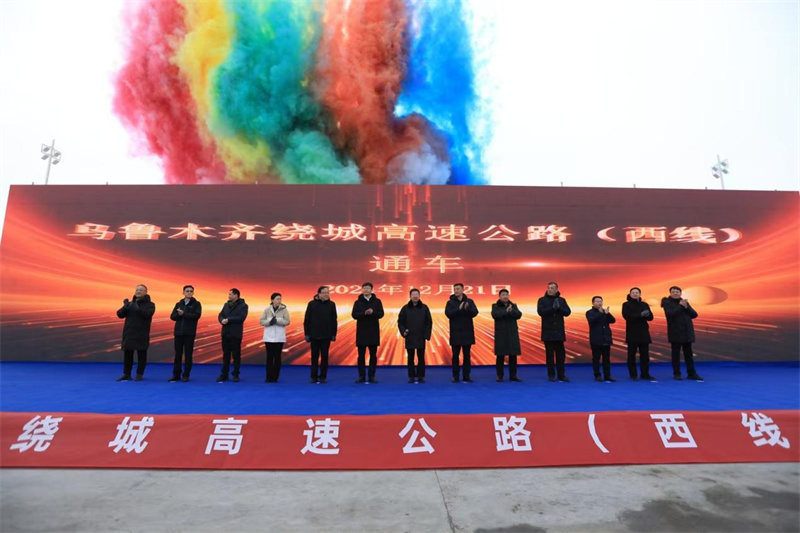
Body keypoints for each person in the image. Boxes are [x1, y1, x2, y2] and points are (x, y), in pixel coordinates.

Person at [661, 286, 703, 381]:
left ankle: (691, 373)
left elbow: (694, 314)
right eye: (673, 292)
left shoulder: (684, 302)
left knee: (689, 355)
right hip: (675, 332)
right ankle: (677, 373)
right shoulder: (667, 302)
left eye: (677, 292)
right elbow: (670, 314)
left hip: (687, 332)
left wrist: (686, 307)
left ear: (680, 293)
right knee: (676, 355)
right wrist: (680, 306)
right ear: (670, 293)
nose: (675, 293)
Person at [115, 284, 155, 382]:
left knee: (141, 354)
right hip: (129, 333)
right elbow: (120, 314)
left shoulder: (150, 304)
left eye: (141, 290)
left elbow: (147, 314)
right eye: (137, 290)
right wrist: (125, 307)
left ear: (146, 292)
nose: (138, 291)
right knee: (128, 355)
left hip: (142, 333)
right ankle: (126, 374)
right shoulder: (130, 303)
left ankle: (139, 374)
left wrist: (136, 307)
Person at [537, 281, 572, 382]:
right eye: (549, 288)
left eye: (552, 288)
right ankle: (551, 375)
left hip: (559, 332)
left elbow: (567, 312)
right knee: (550, 356)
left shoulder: (561, 300)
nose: (550, 290)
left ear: (557, 289)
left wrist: (559, 308)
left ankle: (561, 375)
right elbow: (541, 312)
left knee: (561, 356)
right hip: (547, 332)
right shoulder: (542, 300)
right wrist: (552, 308)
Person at [445, 283, 479, 382]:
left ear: (463, 290)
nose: (456, 291)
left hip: (467, 332)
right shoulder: (450, 303)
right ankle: (455, 376)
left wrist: (468, 309)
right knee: (455, 356)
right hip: (455, 333)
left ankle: (466, 376)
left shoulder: (469, 301)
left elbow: (475, 312)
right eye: (455, 289)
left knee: (467, 356)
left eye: (458, 289)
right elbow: (448, 314)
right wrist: (458, 309)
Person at [351, 282, 385, 383]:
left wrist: (373, 312)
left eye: (368, 288)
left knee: (373, 355)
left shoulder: (377, 301)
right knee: (361, 356)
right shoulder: (357, 302)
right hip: (362, 332)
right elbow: (354, 315)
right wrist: (364, 313)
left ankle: (371, 376)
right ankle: (361, 376)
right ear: (362, 290)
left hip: (373, 332)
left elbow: (381, 314)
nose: (366, 290)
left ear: (371, 290)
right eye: (364, 288)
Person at [397, 288, 432, 383]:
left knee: (421, 357)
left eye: (417, 294)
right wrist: (403, 332)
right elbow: (400, 322)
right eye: (413, 295)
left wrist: (427, 335)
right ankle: (411, 376)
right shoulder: (405, 308)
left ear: (419, 296)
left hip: (421, 336)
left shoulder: (424, 308)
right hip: (410, 336)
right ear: (410, 296)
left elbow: (429, 322)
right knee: (410, 357)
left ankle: (421, 376)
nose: (415, 296)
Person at [304, 286, 338, 384]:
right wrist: (307, 334)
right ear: (318, 293)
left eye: (327, 292)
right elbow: (307, 320)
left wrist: (333, 333)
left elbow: (334, 320)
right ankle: (313, 376)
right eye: (324, 292)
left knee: (325, 357)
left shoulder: (332, 304)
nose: (326, 294)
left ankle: (323, 376)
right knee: (314, 357)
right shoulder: (311, 304)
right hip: (314, 335)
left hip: (326, 335)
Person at [621, 287, 656, 381]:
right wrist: (640, 315)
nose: (635, 294)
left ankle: (645, 374)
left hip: (644, 333)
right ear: (630, 294)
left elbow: (651, 318)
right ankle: (633, 375)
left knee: (645, 356)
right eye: (633, 292)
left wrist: (647, 315)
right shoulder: (626, 304)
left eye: (637, 292)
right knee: (631, 355)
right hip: (632, 333)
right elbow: (627, 316)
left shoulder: (644, 304)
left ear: (640, 294)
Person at [168, 285, 202, 382]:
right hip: (178, 332)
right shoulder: (179, 303)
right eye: (187, 291)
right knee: (177, 355)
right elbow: (172, 316)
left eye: (191, 291)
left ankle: (186, 375)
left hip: (189, 333)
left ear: (193, 293)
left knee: (188, 355)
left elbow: (196, 316)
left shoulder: (197, 304)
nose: (189, 292)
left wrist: (184, 314)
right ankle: (176, 375)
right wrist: (179, 315)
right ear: (183, 292)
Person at [216, 288, 249, 383]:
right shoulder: (226, 305)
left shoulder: (243, 305)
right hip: (225, 333)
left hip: (235, 334)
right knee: (225, 355)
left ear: (236, 295)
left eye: (230, 294)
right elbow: (220, 315)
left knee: (236, 355)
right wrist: (221, 320)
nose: (229, 296)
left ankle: (235, 374)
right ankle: (224, 374)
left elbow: (241, 318)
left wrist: (228, 319)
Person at [491, 289, 523, 382]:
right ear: (499, 296)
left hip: (512, 333)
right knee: (500, 356)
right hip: (501, 334)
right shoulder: (495, 306)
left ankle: (513, 375)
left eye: (506, 294)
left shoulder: (513, 305)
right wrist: (506, 311)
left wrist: (511, 311)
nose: (505, 296)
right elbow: (495, 315)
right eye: (503, 295)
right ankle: (500, 376)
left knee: (513, 356)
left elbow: (519, 315)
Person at [260, 292, 290, 383]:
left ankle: (275, 377)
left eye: (280, 299)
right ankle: (268, 377)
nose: (279, 301)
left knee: (277, 358)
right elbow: (261, 321)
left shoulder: (284, 310)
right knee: (269, 357)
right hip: (268, 338)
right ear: (272, 300)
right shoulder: (266, 310)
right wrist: (269, 322)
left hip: (279, 338)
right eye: (277, 299)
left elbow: (287, 321)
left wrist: (277, 321)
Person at [586, 296, 616, 382]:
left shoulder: (604, 312)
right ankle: (597, 375)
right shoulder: (589, 312)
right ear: (593, 303)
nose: (599, 303)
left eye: (600, 301)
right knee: (596, 358)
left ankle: (607, 375)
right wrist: (601, 314)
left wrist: (607, 313)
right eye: (597, 301)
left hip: (606, 338)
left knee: (606, 359)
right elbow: (592, 321)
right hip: (596, 339)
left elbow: (613, 320)